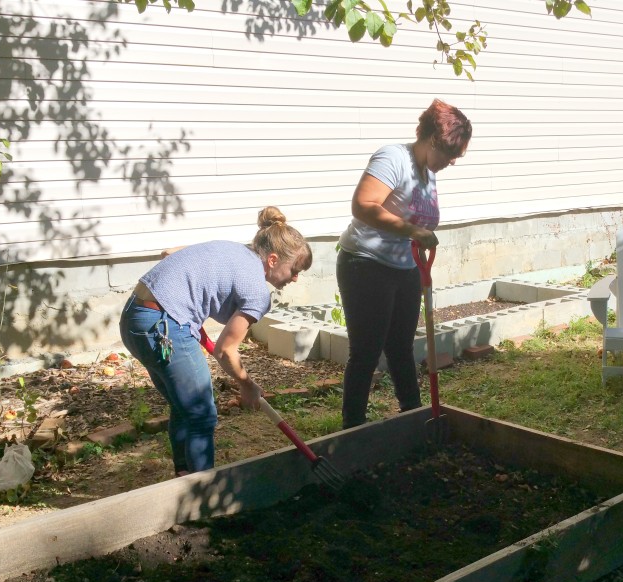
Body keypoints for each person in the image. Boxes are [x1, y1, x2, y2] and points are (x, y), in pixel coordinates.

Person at [119, 207, 312, 475]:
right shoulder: (258, 292)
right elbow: (225, 350)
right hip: (163, 327)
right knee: (201, 414)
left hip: (134, 318)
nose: (295, 278)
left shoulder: (233, 249)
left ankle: (184, 478)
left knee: (183, 406)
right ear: (272, 259)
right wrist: (247, 386)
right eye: (294, 269)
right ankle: (202, 498)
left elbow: (170, 253)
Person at [336, 99, 473, 429]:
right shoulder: (393, 158)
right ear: (432, 140)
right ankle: (352, 428)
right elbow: (363, 205)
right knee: (367, 351)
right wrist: (411, 229)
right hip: (365, 263)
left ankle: (413, 416)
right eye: (450, 154)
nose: (452, 162)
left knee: (400, 346)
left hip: (405, 266)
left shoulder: (428, 171)